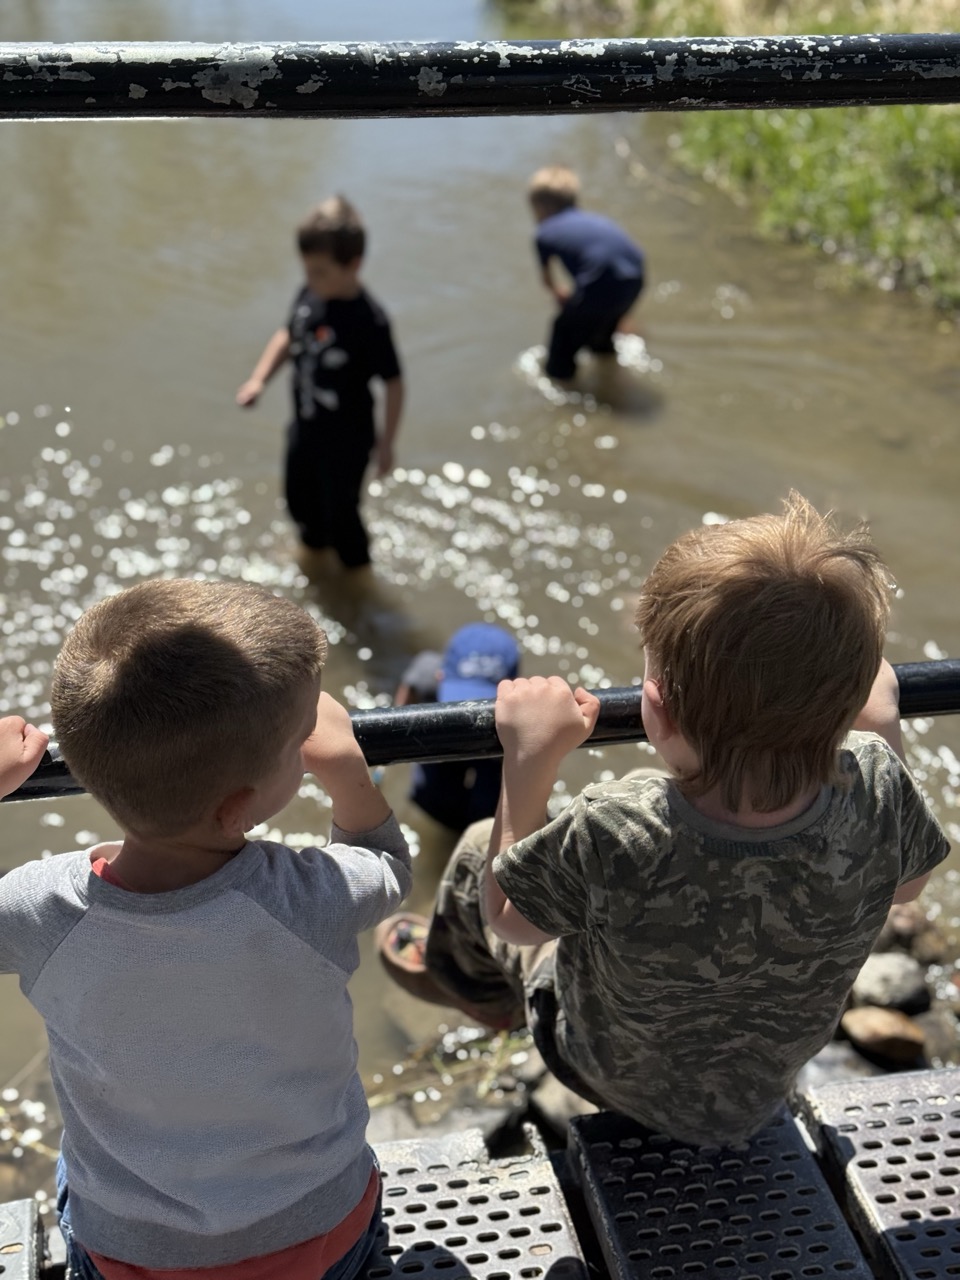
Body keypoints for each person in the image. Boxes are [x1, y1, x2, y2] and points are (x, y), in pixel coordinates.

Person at [379, 494, 950, 1145]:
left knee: (481, 849)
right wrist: (881, 727)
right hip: (762, 1083)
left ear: (660, 710)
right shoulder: (877, 781)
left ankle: (478, 993)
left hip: (603, 1070)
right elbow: (905, 885)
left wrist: (529, 760)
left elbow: (509, 916)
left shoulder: (620, 826)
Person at [0, 578, 411, 1279]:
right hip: (316, 1227)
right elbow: (386, 864)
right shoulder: (303, 898)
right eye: (303, 739)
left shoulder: (40, 910)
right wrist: (347, 771)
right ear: (237, 808)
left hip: (131, 1250)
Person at [237, 195, 404, 576]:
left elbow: (394, 383)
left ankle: (358, 580)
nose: (310, 279)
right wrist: (259, 379)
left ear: (353, 265)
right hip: (305, 428)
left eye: (320, 271)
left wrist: (387, 442)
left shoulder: (370, 321)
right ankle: (314, 555)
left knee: (343, 514)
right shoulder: (309, 295)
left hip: (348, 441)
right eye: (306, 270)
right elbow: (288, 334)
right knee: (299, 502)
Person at [396, 623, 521, 833]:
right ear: (440, 675)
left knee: (487, 808)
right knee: (430, 794)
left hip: (493, 739)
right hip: (445, 735)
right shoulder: (426, 673)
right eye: (462, 700)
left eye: (481, 702)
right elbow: (407, 692)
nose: (469, 714)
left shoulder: (521, 709)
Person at [527, 165, 645, 383]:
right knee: (601, 333)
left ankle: (561, 384)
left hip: (600, 284)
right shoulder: (597, 221)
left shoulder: (544, 232)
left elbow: (548, 281)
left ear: (539, 206)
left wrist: (562, 296)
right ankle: (610, 368)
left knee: (562, 333)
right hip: (634, 277)